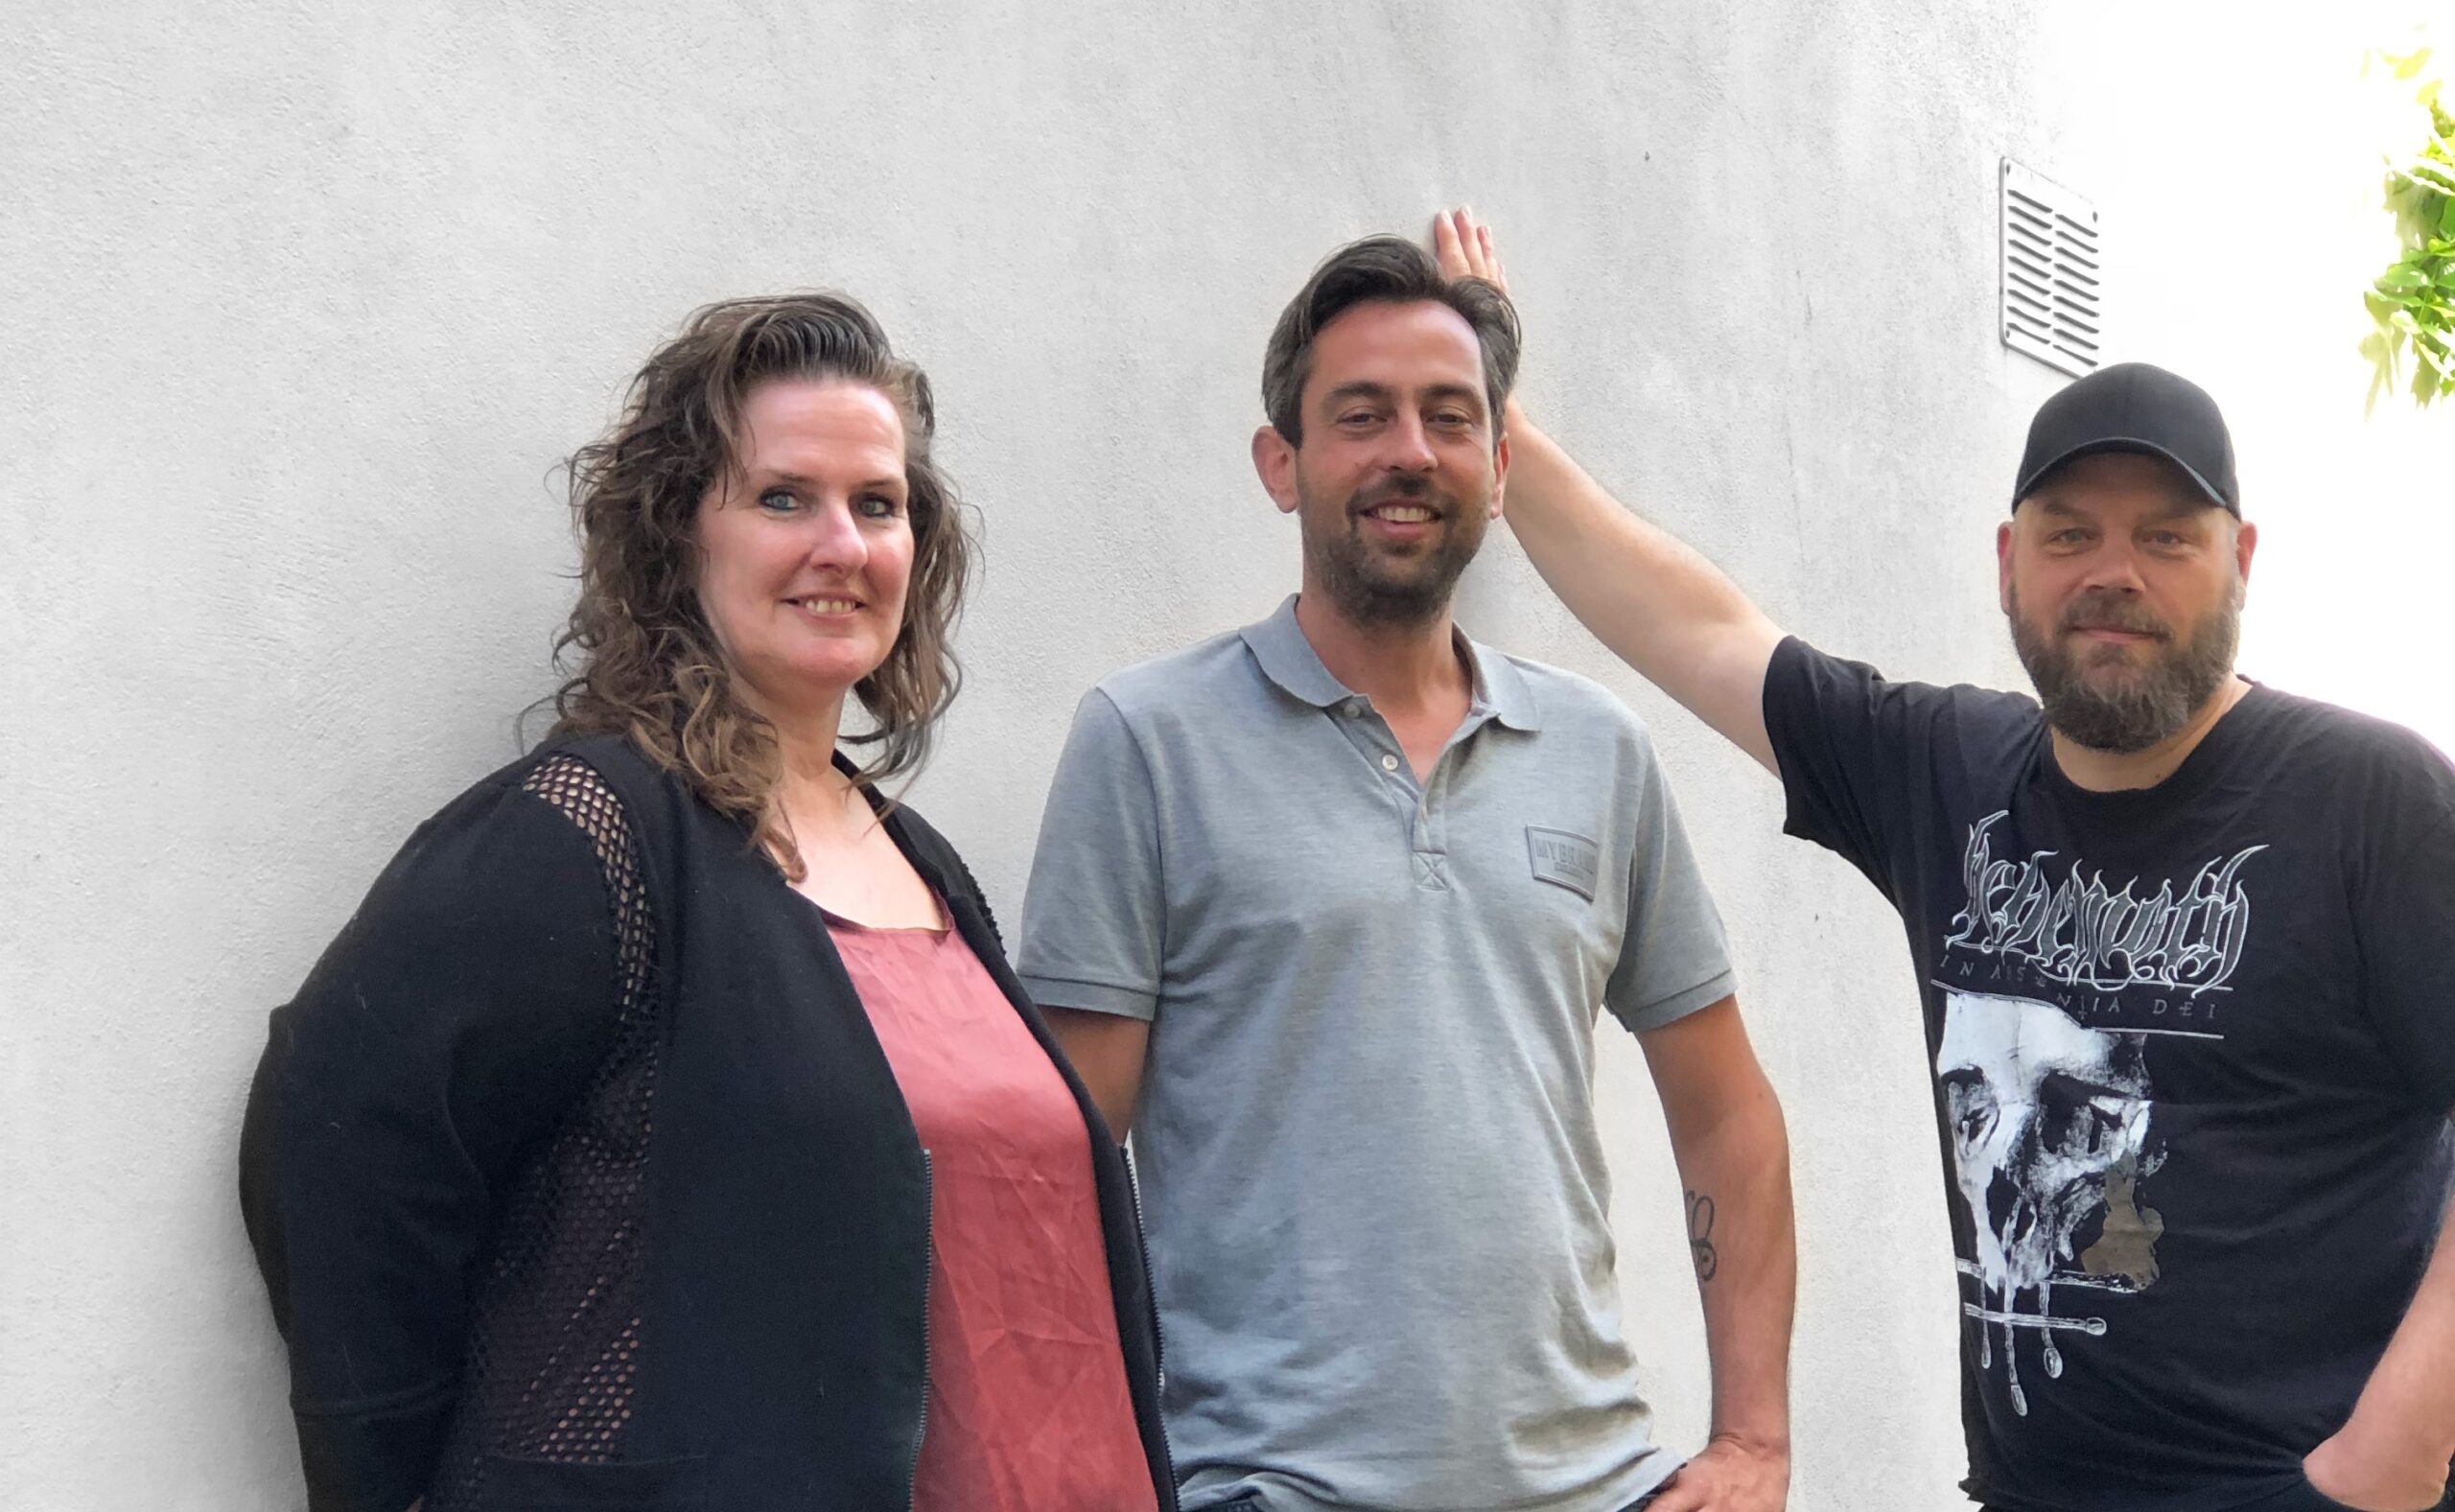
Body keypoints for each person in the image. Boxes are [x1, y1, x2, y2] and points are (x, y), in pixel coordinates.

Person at [1435, 207, 2455, 1512]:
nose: (2113, 574)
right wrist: (1488, 418)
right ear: (2007, 564)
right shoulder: (1954, 775)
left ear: (2241, 561)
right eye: (2069, 534)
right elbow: (1698, 629)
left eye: (2166, 537)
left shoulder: (2371, 800)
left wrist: (2387, 1460)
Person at [239, 293, 1175, 1512]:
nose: (842, 543)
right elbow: (346, 1116)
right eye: (783, 497)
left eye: (877, 503)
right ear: (681, 532)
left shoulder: (920, 859)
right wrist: (403, 1479)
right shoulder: (593, 832)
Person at [1017, 235, 1795, 1512]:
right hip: (1268, 1485)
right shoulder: (1148, 743)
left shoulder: (1596, 749)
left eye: (1449, 416)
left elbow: (1725, 1113)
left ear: (1500, 466)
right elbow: (1063, 1164)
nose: (1410, 453)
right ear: (1281, 463)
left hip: (1593, 1485)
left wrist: (1752, 1441)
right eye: (1360, 415)